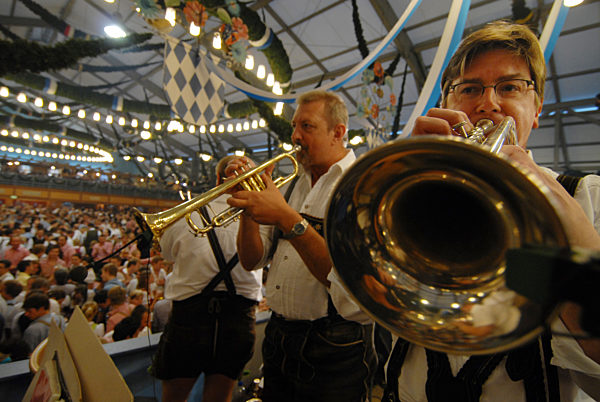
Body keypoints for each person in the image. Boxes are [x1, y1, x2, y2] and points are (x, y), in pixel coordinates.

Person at [363, 21, 600, 402]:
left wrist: (549, 199)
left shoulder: (587, 196)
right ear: (446, 104)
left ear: (536, 110)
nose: (488, 103)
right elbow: (350, 302)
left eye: (509, 87)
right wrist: (394, 177)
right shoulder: (400, 196)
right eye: (470, 88)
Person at [226, 89, 376, 401]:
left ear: (338, 133)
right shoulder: (293, 181)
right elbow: (252, 260)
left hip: (335, 346)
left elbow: (351, 284)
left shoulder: (363, 185)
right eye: (295, 126)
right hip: (279, 337)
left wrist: (288, 219)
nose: (294, 136)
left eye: (306, 127)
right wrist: (247, 206)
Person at [150, 155, 263, 402]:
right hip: (239, 318)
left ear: (217, 179)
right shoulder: (265, 215)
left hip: (188, 318)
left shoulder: (185, 212)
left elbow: (168, 254)